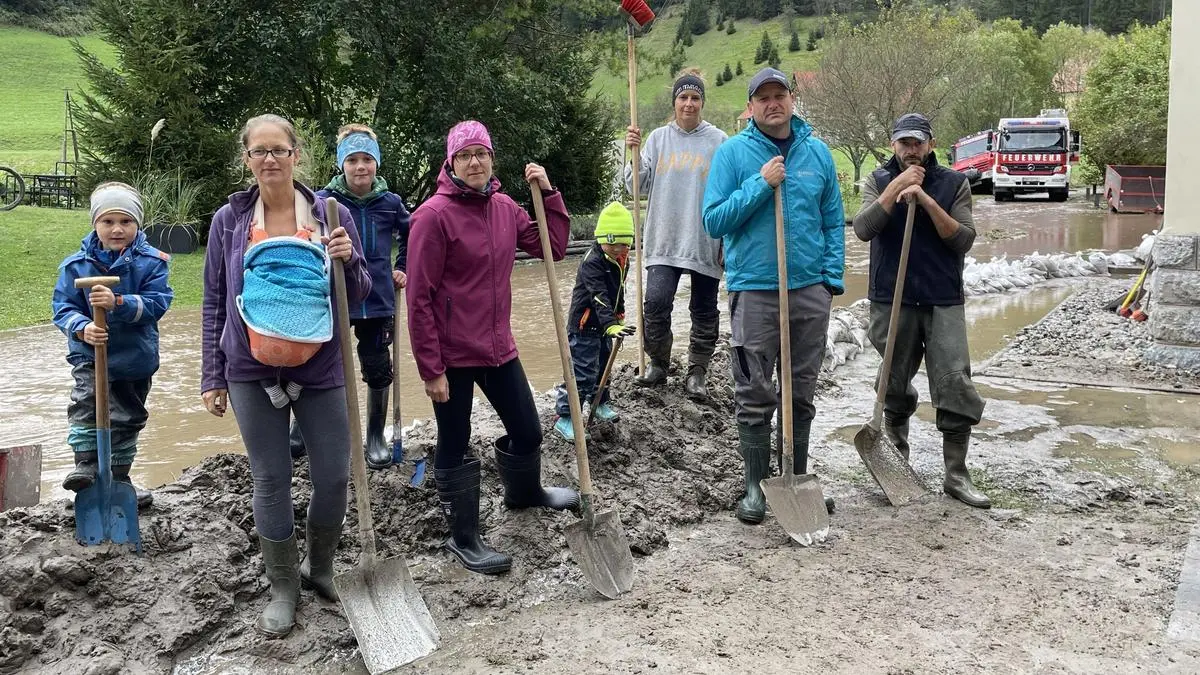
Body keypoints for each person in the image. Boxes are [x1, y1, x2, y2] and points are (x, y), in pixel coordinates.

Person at [201, 114, 371, 636]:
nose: (269, 159)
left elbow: (361, 292)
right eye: (259, 152)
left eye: (279, 150)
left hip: (322, 366)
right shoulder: (228, 221)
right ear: (247, 159)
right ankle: (282, 584)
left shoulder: (331, 213)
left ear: (297, 155)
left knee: (335, 474)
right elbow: (213, 302)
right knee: (270, 478)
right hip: (250, 369)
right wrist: (212, 375)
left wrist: (347, 262)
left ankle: (318, 568)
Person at [407, 120, 580, 576]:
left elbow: (554, 246)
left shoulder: (505, 208)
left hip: (498, 346)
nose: (475, 161)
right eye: (465, 155)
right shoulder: (433, 216)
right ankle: (464, 538)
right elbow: (418, 298)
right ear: (451, 163)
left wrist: (548, 194)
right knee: (455, 440)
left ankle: (524, 493)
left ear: (492, 159)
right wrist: (431, 368)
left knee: (528, 430)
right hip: (452, 355)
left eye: (481, 153)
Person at [702, 68, 844, 524]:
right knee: (755, 391)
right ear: (751, 107)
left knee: (801, 391)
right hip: (754, 289)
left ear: (791, 98)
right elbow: (714, 221)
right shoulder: (732, 154)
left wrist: (830, 281)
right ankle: (756, 488)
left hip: (808, 290)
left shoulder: (817, 154)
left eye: (778, 94)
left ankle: (797, 479)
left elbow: (832, 221)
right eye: (762, 97)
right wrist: (761, 184)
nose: (771, 103)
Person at [851, 112, 989, 509]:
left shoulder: (954, 183)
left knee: (954, 382)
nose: (910, 150)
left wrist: (926, 199)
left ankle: (956, 475)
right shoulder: (878, 180)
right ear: (893, 145)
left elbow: (962, 240)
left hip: (941, 297)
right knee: (892, 382)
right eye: (903, 143)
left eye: (917, 142)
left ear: (930, 143)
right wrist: (897, 187)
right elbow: (863, 228)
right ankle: (896, 464)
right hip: (891, 295)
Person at [287, 123, 410, 469]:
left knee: (377, 367)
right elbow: (301, 236)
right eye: (352, 159)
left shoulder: (391, 203)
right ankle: (302, 431)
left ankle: (374, 436)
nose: (360, 167)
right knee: (320, 364)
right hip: (334, 297)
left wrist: (403, 266)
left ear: (377, 164)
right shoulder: (323, 202)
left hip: (378, 299)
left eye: (367, 160)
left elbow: (412, 232)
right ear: (342, 164)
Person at [52, 182, 172, 510]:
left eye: (126, 221)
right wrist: (83, 328)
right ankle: (87, 468)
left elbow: (158, 303)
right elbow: (62, 309)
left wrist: (118, 301)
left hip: (135, 357)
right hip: (90, 355)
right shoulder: (75, 267)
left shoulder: (152, 262)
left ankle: (119, 478)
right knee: (85, 406)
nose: (117, 229)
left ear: (138, 224)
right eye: (108, 221)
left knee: (127, 416)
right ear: (95, 224)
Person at [624, 70, 728, 399]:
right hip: (663, 238)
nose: (689, 103)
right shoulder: (656, 139)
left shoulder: (719, 141)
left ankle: (697, 372)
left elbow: (729, 192)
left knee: (704, 308)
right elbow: (634, 186)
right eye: (683, 97)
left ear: (702, 102)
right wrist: (634, 153)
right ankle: (658, 365)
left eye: (695, 97)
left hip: (704, 238)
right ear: (674, 102)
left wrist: (727, 239)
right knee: (655, 302)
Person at [553, 201, 638, 441]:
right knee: (582, 372)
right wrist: (610, 324)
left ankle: (599, 402)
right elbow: (599, 297)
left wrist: (618, 319)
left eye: (623, 244)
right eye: (612, 244)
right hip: (584, 326)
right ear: (602, 239)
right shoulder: (592, 261)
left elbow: (619, 291)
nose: (617, 248)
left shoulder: (623, 259)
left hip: (604, 326)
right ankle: (566, 417)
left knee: (602, 367)